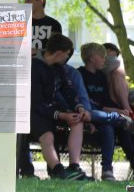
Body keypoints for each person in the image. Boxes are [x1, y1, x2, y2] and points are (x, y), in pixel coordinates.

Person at [29, 33, 91, 180]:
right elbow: (36, 103)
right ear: (59, 53)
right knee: (47, 136)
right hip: (35, 112)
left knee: (77, 121)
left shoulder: (59, 67)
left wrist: (78, 107)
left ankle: (74, 167)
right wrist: (61, 115)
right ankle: (58, 170)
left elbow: (68, 90)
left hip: (53, 109)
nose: (67, 58)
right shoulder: (34, 67)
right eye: (67, 54)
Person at [19, 0, 63, 178]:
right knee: (22, 124)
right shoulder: (20, 22)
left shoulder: (54, 25)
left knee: (45, 123)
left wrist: (38, 53)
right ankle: (26, 168)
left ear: (41, 0)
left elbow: (56, 51)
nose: (26, 3)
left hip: (45, 78)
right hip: (23, 76)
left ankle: (54, 169)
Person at [77, 43, 134, 181]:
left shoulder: (101, 77)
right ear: (92, 58)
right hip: (86, 115)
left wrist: (118, 110)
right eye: (102, 56)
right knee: (112, 123)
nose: (105, 60)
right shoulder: (80, 74)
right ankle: (118, 119)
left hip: (102, 116)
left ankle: (113, 169)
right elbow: (84, 102)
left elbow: (104, 103)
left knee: (111, 127)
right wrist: (91, 121)